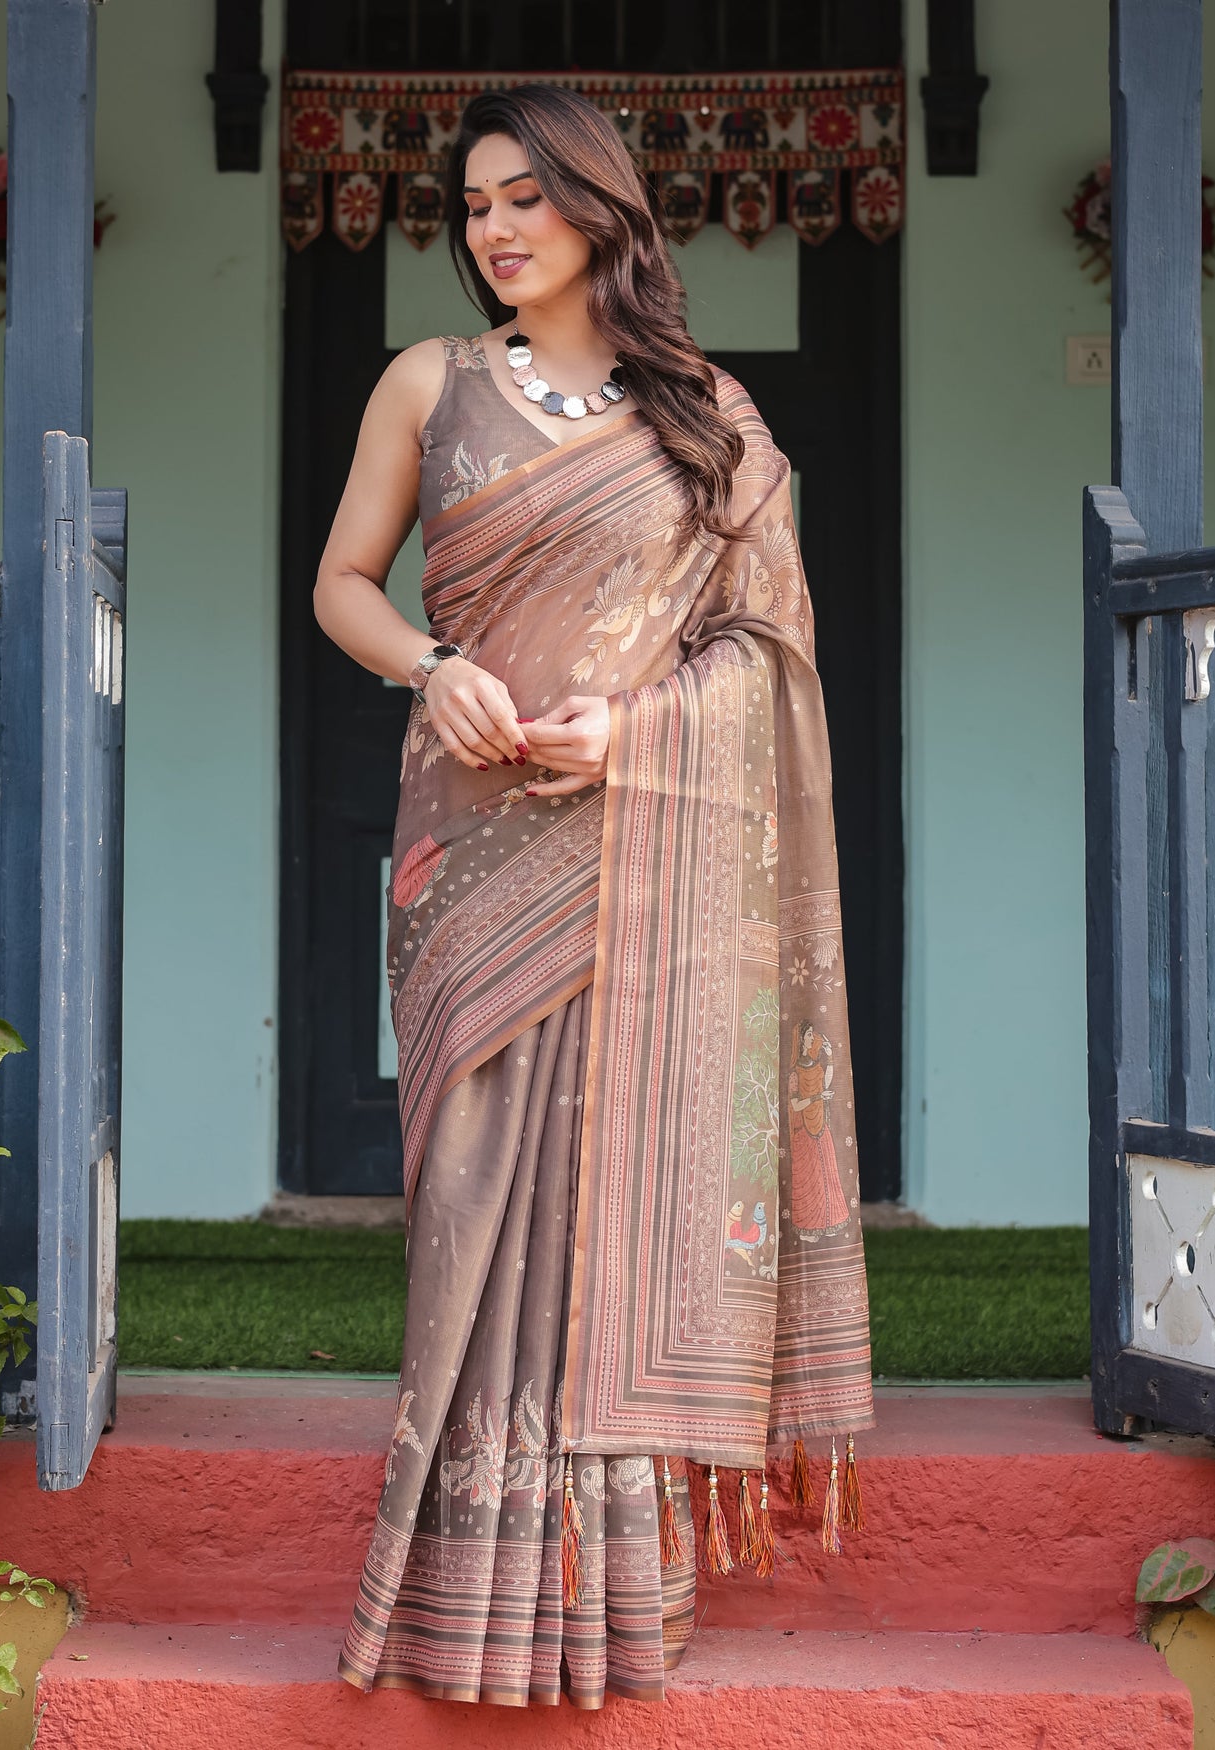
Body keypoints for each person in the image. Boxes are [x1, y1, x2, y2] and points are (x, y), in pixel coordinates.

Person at [313, 81, 873, 1711]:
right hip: (467, 861)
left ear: (600, 209)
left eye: (523, 200)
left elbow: (767, 654)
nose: (492, 230)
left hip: (643, 847)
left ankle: (608, 1603)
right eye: (475, 203)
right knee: (478, 1208)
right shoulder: (430, 382)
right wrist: (434, 667)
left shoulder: (706, 413)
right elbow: (345, 581)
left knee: (610, 1209)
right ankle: (453, 1600)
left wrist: (635, 726)